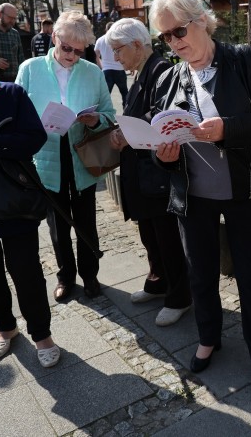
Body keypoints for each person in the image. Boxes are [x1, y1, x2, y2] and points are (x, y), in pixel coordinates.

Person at [149, 0, 251, 397]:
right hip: (192, 195)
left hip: (244, 188)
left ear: (201, 20)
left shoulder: (243, 60)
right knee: (200, 272)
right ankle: (208, 337)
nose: (174, 43)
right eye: (165, 37)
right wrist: (165, 157)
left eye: (178, 32)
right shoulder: (170, 75)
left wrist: (228, 127)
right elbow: (157, 139)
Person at [16, 11, 115, 303]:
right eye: (66, 47)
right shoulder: (31, 68)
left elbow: (109, 115)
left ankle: (90, 274)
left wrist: (95, 119)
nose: (72, 55)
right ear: (54, 38)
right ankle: (65, 276)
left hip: (82, 151)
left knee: (86, 219)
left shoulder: (93, 72)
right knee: (57, 224)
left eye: (79, 50)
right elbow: (18, 113)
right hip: (46, 154)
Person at [106, 18, 192, 326]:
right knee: (150, 234)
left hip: (156, 172)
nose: (116, 58)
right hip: (143, 173)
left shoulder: (161, 71)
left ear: (138, 45)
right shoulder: (141, 71)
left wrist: (125, 134)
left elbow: (162, 115)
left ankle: (180, 296)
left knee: (166, 236)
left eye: (118, 50)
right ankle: (158, 281)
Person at [0, 41, 60, 368]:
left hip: (15, 199)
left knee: (26, 270)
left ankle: (42, 334)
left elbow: (35, 137)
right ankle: (5, 328)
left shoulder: (10, 93)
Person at [0, 3, 24, 82]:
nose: (13, 21)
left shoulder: (15, 33)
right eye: (10, 18)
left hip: (14, 81)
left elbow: (20, 58)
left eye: (14, 18)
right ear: (0, 14)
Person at [95, 22, 129, 107]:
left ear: (105, 29)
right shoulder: (118, 40)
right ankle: (127, 112)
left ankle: (105, 115)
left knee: (105, 95)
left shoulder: (100, 40)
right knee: (125, 93)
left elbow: (96, 56)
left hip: (106, 70)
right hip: (119, 69)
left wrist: (101, 66)